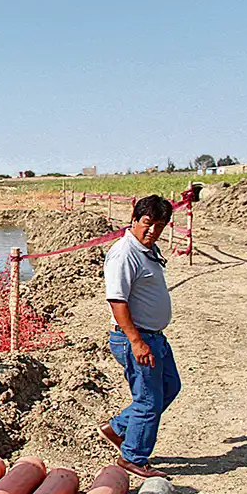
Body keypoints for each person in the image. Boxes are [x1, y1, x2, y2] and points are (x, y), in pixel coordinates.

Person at [98, 195, 179, 479]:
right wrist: (136, 341)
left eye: (160, 225)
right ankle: (133, 457)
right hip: (136, 338)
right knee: (148, 401)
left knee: (170, 387)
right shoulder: (124, 253)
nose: (153, 230)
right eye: (147, 223)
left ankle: (120, 428)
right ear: (134, 220)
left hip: (154, 336)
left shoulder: (147, 249)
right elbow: (117, 301)